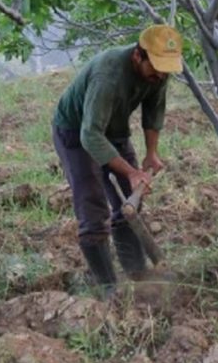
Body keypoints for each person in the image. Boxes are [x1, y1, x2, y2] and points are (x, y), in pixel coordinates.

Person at [52, 24, 183, 293]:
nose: (161, 75)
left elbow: (153, 112)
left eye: (165, 70)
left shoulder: (159, 73)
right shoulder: (108, 76)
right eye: (156, 68)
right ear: (137, 55)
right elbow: (90, 135)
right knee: (93, 206)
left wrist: (151, 153)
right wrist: (132, 172)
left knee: (129, 201)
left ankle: (137, 273)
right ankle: (109, 289)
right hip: (76, 132)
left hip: (114, 130)